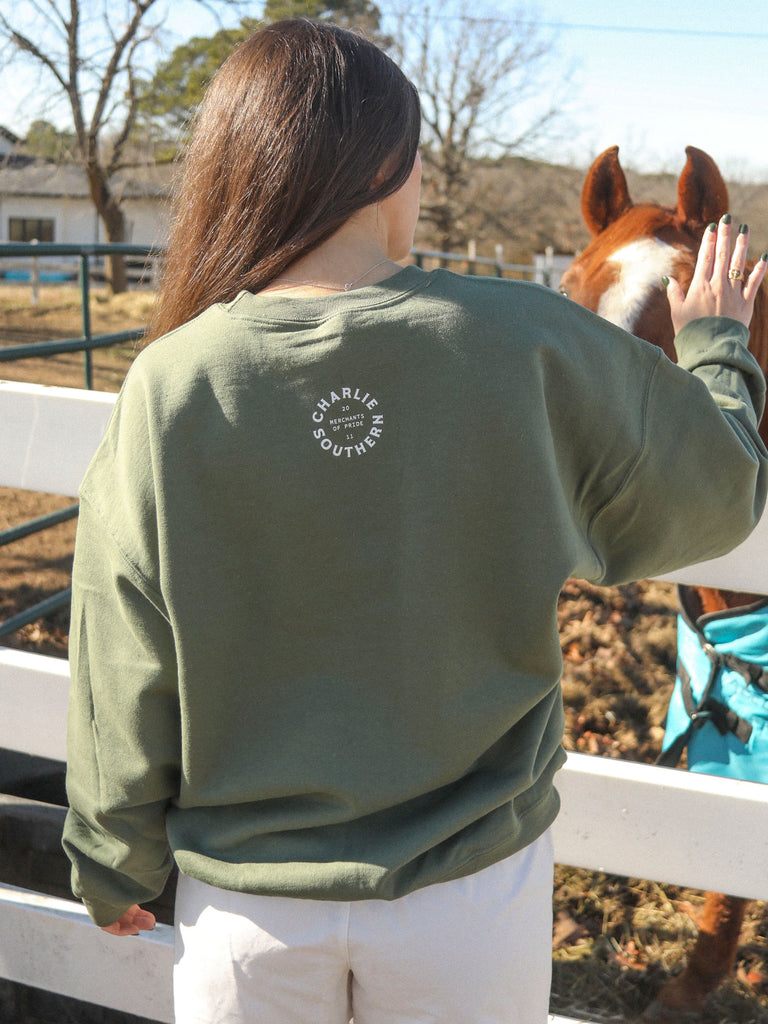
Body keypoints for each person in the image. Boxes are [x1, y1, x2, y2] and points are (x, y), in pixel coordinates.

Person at [62, 18, 768, 1024]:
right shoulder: (525, 341)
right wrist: (716, 349)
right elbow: (713, 492)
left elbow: (123, 644)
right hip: (470, 895)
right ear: (392, 167)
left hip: (248, 908)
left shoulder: (170, 381)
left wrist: (112, 850)